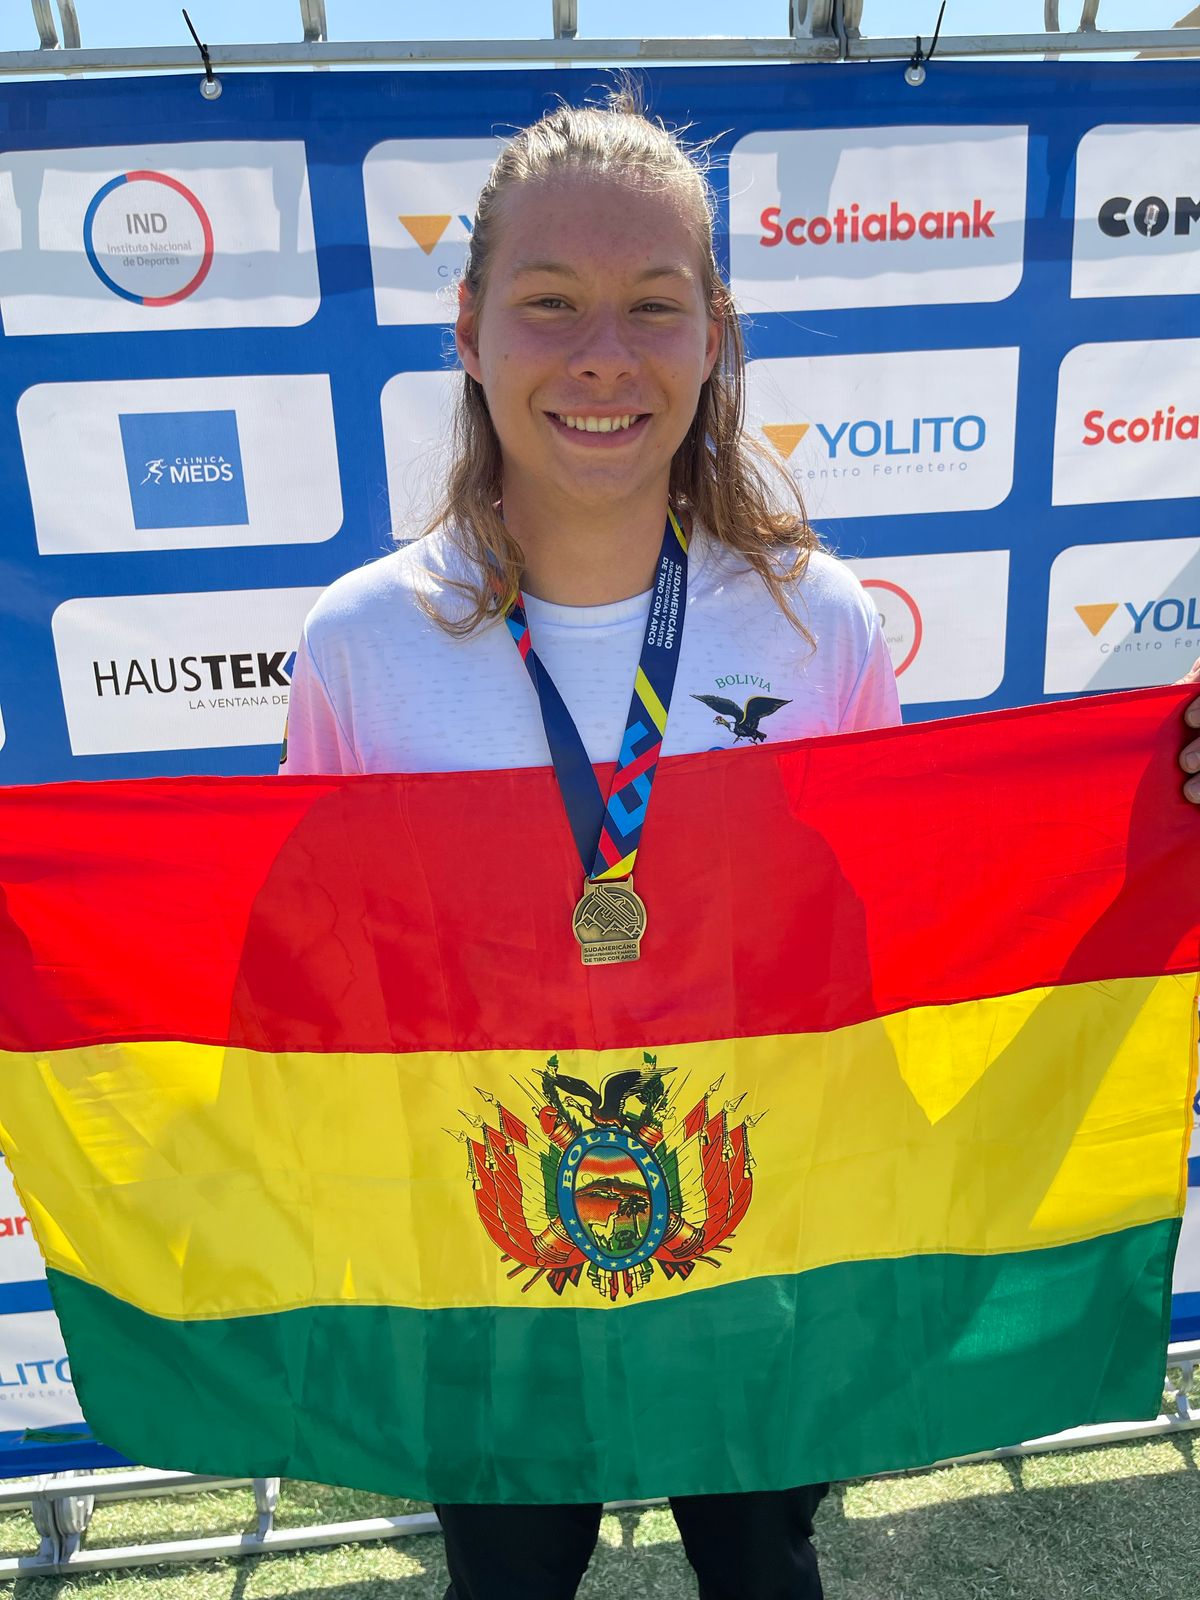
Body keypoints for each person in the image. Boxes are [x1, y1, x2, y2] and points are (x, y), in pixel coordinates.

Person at [282, 86, 1200, 1600]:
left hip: (761, 1240)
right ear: (466, 326)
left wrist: (1140, 821)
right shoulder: (365, 643)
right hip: (491, 1257)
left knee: (766, 1581)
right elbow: (318, 979)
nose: (603, 355)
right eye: (550, 303)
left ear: (715, 332)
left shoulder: (812, 620)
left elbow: (911, 941)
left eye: (654, 305)